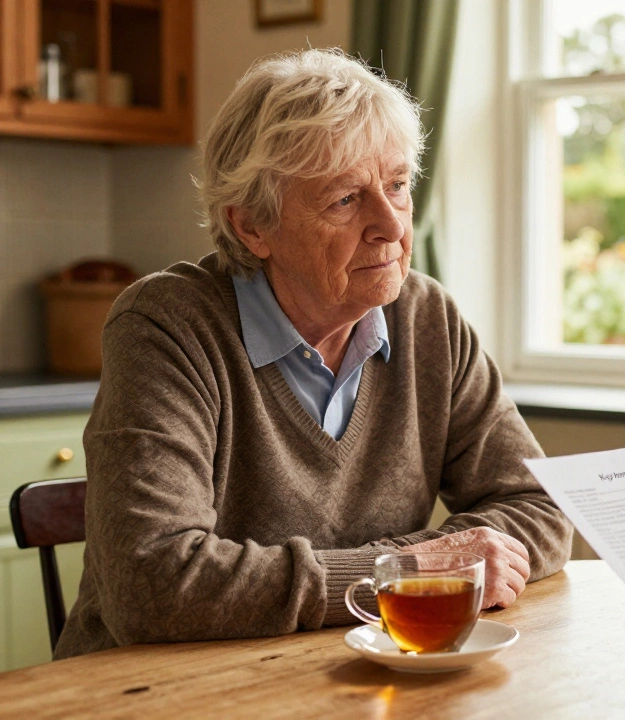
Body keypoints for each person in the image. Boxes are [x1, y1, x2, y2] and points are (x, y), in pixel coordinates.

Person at [56, 49, 573, 658]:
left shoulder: (426, 318)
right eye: (345, 200)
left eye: (398, 186)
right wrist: (400, 570)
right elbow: (151, 582)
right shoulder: (168, 326)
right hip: (151, 692)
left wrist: (435, 562)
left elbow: (539, 506)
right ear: (252, 226)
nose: (391, 225)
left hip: (337, 675)